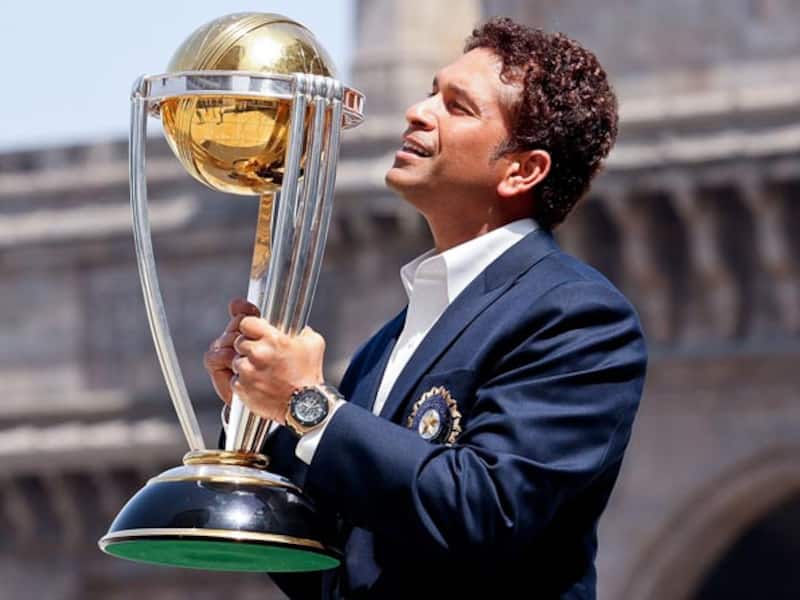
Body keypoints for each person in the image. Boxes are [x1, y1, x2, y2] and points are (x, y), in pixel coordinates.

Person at [205, 17, 647, 600]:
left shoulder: (578, 317)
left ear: (523, 170)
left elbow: (489, 511)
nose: (419, 110)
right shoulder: (390, 341)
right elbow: (337, 569)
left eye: (458, 107)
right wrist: (259, 417)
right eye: (433, 90)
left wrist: (307, 404)